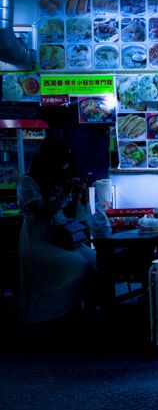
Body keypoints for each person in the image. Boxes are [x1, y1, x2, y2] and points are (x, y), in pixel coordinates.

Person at [16, 138, 97, 324]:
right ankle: (63, 315)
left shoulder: (56, 181)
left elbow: (67, 214)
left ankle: (84, 314)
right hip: (40, 240)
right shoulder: (27, 183)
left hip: (63, 237)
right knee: (78, 265)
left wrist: (75, 194)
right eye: (60, 162)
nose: (63, 167)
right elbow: (43, 213)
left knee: (95, 262)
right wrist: (64, 193)